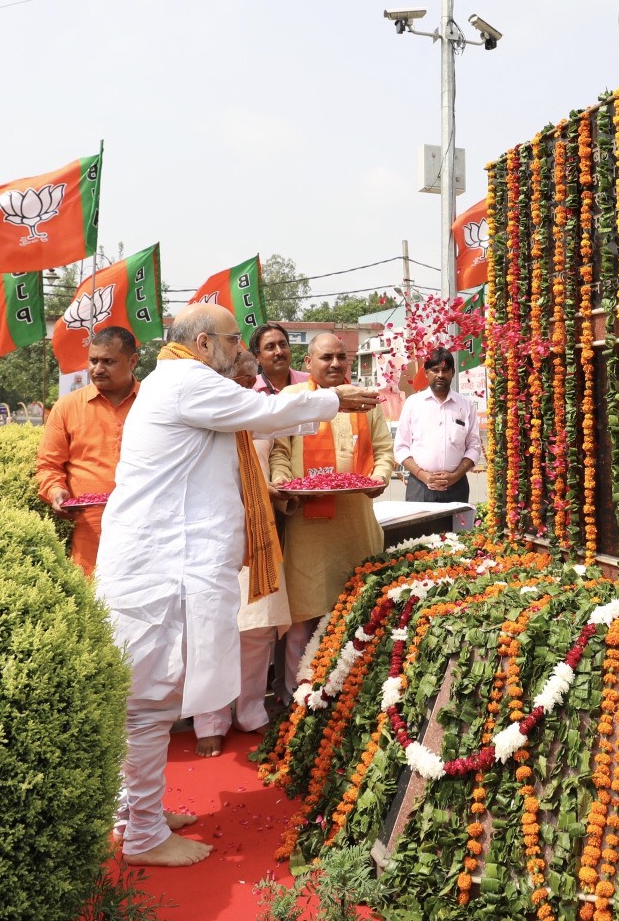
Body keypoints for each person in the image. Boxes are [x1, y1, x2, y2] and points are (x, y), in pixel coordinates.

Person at [97, 303, 378, 867]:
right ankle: (144, 833)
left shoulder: (183, 381)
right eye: (233, 340)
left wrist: (312, 406)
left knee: (148, 701)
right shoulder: (184, 382)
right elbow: (257, 410)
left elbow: (257, 416)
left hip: (167, 570)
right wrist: (332, 400)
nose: (243, 349)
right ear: (203, 344)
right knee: (149, 703)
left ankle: (136, 813)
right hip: (161, 573)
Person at [269, 332, 394, 689]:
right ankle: (299, 697)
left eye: (342, 356)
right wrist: (283, 481)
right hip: (307, 529)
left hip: (355, 525)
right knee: (302, 622)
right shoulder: (294, 398)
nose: (336, 363)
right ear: (308, 363)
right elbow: (279, 450)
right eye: (326, 357)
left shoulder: (364, 400)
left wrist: (380, 477)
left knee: (357, 614)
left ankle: (352, 694)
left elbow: (384, 452)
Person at [191, 350, 296, 758]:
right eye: (233, 381)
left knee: (256, 631)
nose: (240, 389)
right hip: (213, 539)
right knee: (213, 632)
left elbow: (278, 465)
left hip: (260, 538)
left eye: (246, 383)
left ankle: (250, 709)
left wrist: (279, 489)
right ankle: (210, 720)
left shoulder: (262, 419)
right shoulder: (202, 422)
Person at [35, 326, 140, 576]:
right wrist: (57, 493)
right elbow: (48, 466)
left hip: (146, 527)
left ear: (133, 361)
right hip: (90, 530)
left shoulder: (154, 402)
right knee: (93, 602)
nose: (97, 369)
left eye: (108, 361)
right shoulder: (67, 407)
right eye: (93, 360)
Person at [394, 348, 482, 504]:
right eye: (435, 370)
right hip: (420, 486)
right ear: (426, 373)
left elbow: (474, 447)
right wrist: (423, 475)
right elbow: (401, 448)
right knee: (418, 529)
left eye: (445, 370)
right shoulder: (413, 404)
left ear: (453, 372)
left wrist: (455, 476)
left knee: (456, 529)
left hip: (457, 485)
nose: (440, 375)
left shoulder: (466, 405)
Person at [250, 322, 309, 395]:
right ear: (256, 357)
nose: (279, 352)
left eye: (283, 345)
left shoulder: (310, 383)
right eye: (270, 347)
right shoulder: (250, 391)